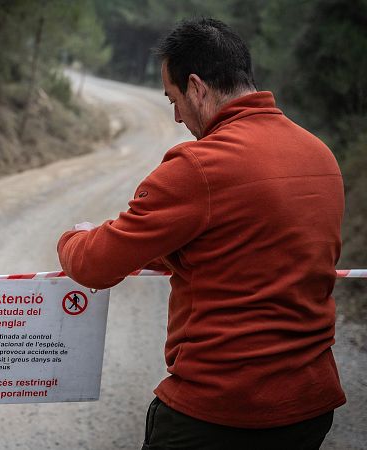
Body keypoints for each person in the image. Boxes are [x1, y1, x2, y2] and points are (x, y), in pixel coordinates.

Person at [57, 18, 345, 449]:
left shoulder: (200, 167)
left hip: (219, 412)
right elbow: (239, 241)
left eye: (173, 99)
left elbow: (95, 265)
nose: (175, 116)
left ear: (196, 87)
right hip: (308, 408)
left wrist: (75, 238)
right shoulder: (320, 154)